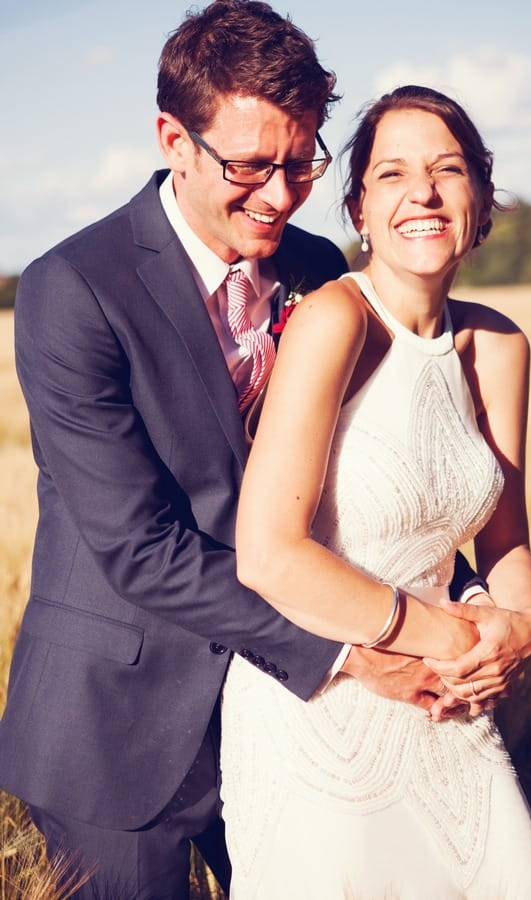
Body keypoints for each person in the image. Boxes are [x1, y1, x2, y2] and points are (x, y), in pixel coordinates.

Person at [0, 4, 482, 897]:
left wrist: (469, 597)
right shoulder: (72, 289)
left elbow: (375, 472)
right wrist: (351, 651)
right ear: (172, 138)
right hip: (114, 728)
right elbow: (140, 547)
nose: (277, 193)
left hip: (281, 716)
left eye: (300, 163)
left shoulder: (315, 268)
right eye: (250, 165)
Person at [224, 84, 531, 898]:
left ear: (479, 199)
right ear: (359, 207)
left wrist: (525, 627)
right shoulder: (335, 320)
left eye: (448, 170)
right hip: (325, 709)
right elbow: (268, 554)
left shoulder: (498, 346)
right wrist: (446, 642)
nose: (425, 193)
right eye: (393, 174)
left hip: (450, 708)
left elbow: (504, 541)